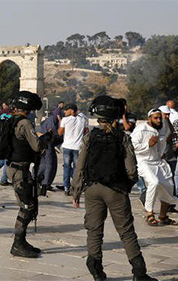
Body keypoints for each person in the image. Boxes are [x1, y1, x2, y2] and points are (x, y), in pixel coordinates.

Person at [72, 95, 157, 281]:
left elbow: (80, 166)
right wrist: (127, 185)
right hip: (115, 190)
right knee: (126, 232)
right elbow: (131, 169)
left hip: (92, 189)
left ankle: (96, 270)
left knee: (94, 230)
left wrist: (76, 190)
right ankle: (139, 273)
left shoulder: (89, 137)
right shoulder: (123, 138)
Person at [7, 91, 46, 258]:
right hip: (19, 170)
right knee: (26, 206)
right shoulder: (25, 123)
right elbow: (37, 146)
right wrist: (47, 140)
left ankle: (22, 241)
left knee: (28, 203)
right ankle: (17, 243)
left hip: (15, 167)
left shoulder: (11, 120)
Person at [130, 108, 178, 226]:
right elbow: (132, 146)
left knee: (169, 186)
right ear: (149, 118)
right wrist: (148, 144)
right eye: (155, 118)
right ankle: (149, 213)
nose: (158, 120)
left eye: (160, 118)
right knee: (154, 182)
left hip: (159, 162)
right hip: (144, 161)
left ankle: (163, 216)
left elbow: (171, 132)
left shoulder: (163, 125)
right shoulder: (141, 129)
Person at [58, 103, 89, 195]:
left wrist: (61, 125)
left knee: (67, 168)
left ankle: (66, 188)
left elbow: (59, 133)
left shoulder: (65, 120)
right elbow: (86, 132)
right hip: (77, 147)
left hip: (67, 147)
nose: (64, 112)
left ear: (71, 110)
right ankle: (76, 187)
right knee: (77, 169)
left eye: (66, 110)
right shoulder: (83, 120)